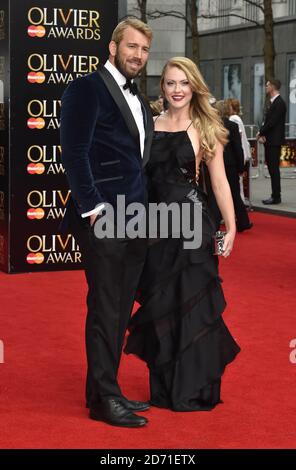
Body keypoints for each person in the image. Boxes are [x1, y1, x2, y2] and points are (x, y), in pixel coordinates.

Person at [125, 57, 240, 411]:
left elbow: (219, 182)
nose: (177, 89)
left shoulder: (205, 126)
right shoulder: (150, 123)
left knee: (191, 305)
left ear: (194, 87)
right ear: (163, 87)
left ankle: (192, 388)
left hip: (191, 226)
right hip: (153, 226)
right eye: (171, 83)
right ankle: (163, 388)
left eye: (183, 83)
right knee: (161, 305)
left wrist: (231, 226)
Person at [60, 18, 154, 428]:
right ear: (112, 48)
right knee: (104, 308)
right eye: (131, 46)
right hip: (105, 218)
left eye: (145, 49)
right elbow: (74, 152)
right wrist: (93, 208)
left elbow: (138, 161)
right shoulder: (86, 88)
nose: (138, 55)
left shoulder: (139, 96)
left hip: (136, 218)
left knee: (117, 310)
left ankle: (104, 389)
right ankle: (103, 400)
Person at [215, 100, 252, 233]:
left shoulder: (211, 125)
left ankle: (214, 222)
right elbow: (238, 148)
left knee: (216, 193)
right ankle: (243, 222)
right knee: (234, 193)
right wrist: (241, 167)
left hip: (215, 164)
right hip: (230, 164)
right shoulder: (232, 125)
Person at [256, 78, 286, 205]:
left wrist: (261, 132)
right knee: (272, 170)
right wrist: (263, 133)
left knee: (274, 170)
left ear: (273, 87)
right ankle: (275, 195)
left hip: (274, 142)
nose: (266, 87)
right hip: (271, 140)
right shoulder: (274, 102)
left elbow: (272, 122)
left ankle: (276, 196)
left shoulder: (279, 103)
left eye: (267, 85)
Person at [226, 98, 252, 204]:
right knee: (237, 184)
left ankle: (239, 207)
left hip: (238, 155)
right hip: (240, 153)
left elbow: (239, 136)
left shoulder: (233, 118)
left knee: (237, 185)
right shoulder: (236, 118)